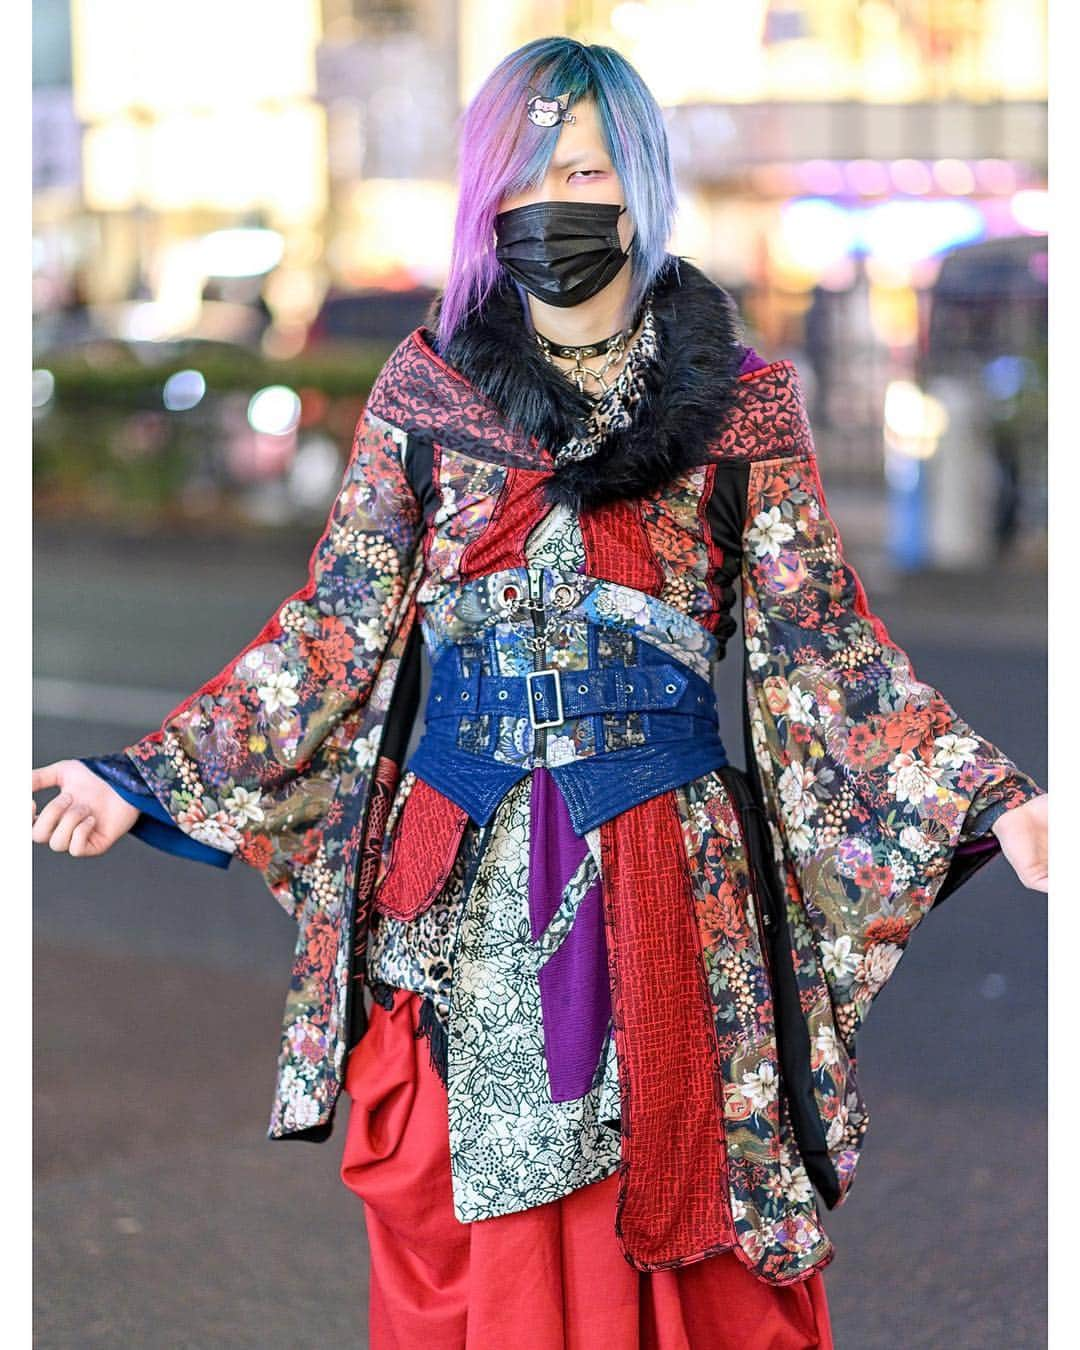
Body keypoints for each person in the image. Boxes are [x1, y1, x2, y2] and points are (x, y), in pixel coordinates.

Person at [32, 37, 1048, 1350]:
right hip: (459, 901)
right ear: (482, 196)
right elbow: (337, 627)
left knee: (695, 1254)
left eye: (584, 166)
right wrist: (144, 776)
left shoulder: (746, 405)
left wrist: (990, 795)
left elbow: (823, 645)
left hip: (672, 898)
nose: (554, 199)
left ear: (642, 179)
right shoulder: (426, 389)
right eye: (524, 172)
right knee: (468, 1262)